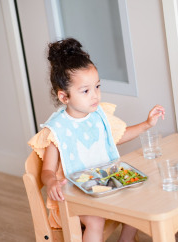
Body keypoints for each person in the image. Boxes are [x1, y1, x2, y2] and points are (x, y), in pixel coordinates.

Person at [28, 38, 165, 242]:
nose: (95, 96)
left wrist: (147, 124)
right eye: (85, 91)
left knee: (137, 202)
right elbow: (47, 170)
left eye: (97, 87)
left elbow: (116, 137)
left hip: (106, 184)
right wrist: (53, 182)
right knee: (96, 221)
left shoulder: (99, 115)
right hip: (76, 195)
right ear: (64, 97)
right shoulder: (58, 129)